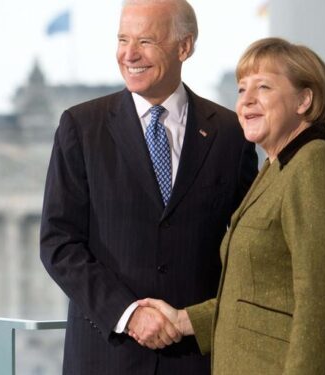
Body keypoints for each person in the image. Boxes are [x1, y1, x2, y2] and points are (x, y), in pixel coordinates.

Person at [136, 37, 325, 374]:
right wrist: (183, 320)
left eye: (263, 87)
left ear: (304, 99)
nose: (246, 100)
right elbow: (262, 296)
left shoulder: (316, 166)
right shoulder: (277, 168)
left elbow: (320, 307)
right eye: (241, 89)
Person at [39, 0, 258, 373]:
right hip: (107, 357)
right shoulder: (81, 127)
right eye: (123, 39)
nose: (129, 54)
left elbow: (248, 248)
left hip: (197, 359)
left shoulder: (230, 133)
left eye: (145, 41)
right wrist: (129, 313)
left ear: (184, 47)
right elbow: (58, 244)